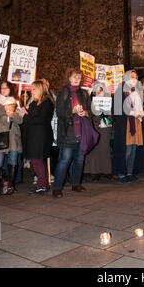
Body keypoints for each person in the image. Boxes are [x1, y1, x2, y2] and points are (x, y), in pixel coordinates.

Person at [52, 69, 91, 198]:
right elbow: (60, 112)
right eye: (74, 77)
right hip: (68, 131)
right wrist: (72, 111)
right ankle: (57, 187)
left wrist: (85, 113)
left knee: (80, 159)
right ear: (69, 78)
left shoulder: (84, 93)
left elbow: (90, 110)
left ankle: (76, 183)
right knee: (65, 159)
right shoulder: (63, 91)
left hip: (81, 131)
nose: (76, 79)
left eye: (79, 78)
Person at [112, 70, 144, 183]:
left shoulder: (135, 91)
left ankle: (130, 172)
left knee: (133, 149)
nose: (134, 79)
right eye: (131, 76)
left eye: (136, 77)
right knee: (125, 150)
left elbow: (138, 106)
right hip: (124, 124)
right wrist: (130, 113)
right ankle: (121, 173)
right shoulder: (120, 91)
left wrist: (141, 112)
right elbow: (116, 109)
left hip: (134, 122)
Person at [22, 80, 54, 195]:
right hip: (33, 136)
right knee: (36, 161)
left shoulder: (47, 103)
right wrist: (23, 113)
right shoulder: (33, 103)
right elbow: (30, 117)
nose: (32, 91)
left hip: (41, 136)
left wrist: (25, 117)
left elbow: (42, 120)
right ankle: (43, 184)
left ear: (40, 89)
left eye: (34, 89)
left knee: (37, 160)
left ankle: (42, 185)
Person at [83, 81, 113, 181]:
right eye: (97, 89)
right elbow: (88, 112)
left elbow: (112, 113)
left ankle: (106, 170)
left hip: (105, 126)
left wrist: (107, 116)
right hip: (94, 125)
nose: (99, 91)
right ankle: (94, 171)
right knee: (94, 149)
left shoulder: (108, 100)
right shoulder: (90, 100)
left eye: (101, 89)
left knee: (105, 148)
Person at [0, 96, 23, 194]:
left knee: (13, 162)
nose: (9, 107)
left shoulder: (16, 114)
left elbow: (21, 121)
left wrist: (12, 115)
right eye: (7, 105)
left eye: (11, 105)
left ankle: (11, 185)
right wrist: (3, 111)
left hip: (13, 142)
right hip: (0, 142)